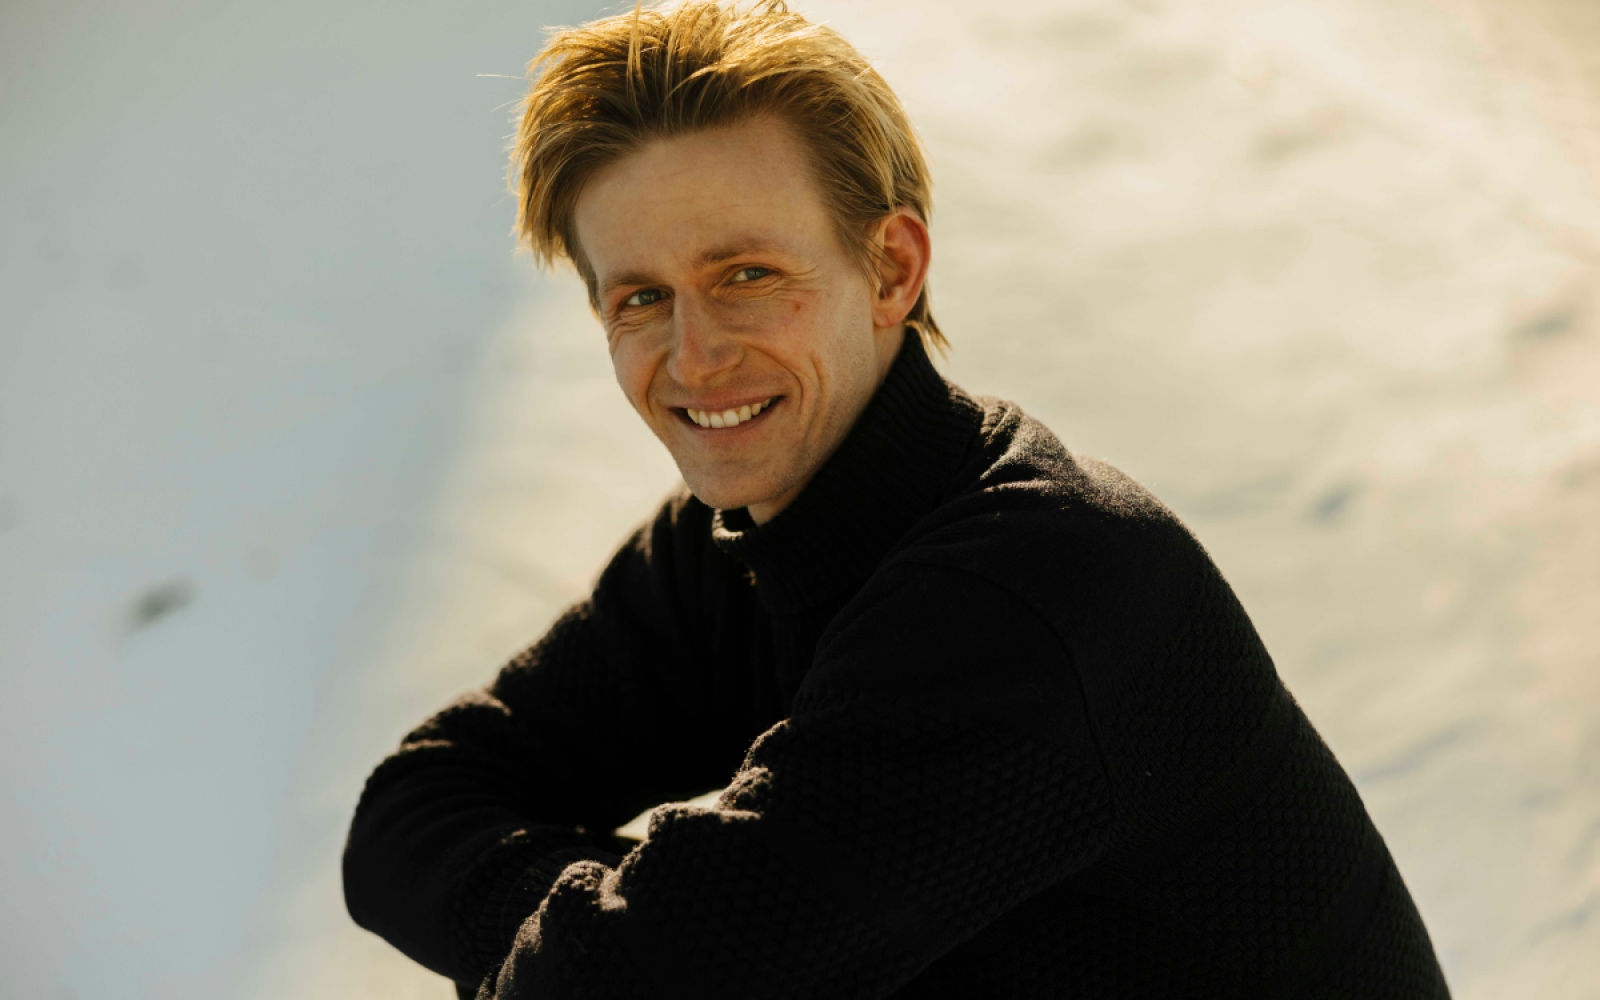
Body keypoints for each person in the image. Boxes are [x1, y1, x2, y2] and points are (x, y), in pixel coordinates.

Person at [342, 2, 1451, 997]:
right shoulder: (734, 546)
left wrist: (598, 941)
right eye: (640, 298)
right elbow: (411, 814)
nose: (694, 355)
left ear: (891, 269)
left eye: (745, 275)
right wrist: (594, 930)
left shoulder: (1034, 589)